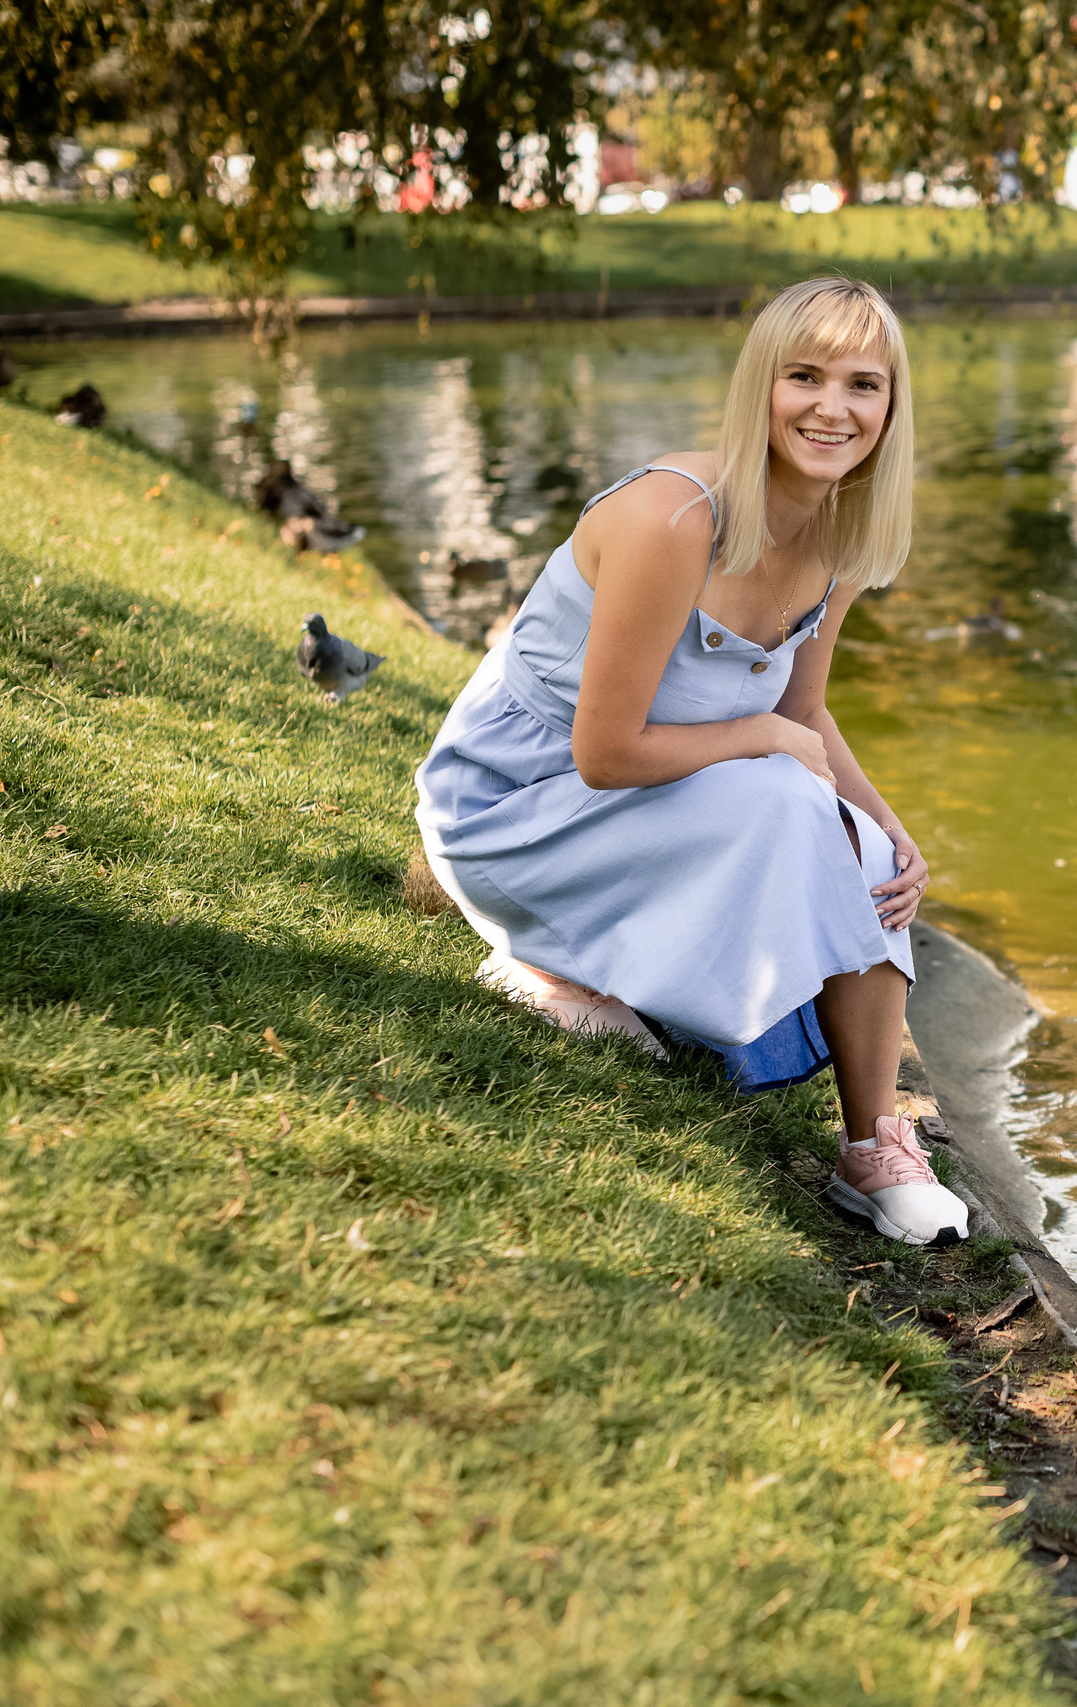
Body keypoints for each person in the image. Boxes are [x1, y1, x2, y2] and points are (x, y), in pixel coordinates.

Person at [414, 277, 968, 1246]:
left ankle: (873, 1143)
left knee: (863, 857)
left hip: (647, 800)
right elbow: (606, 750)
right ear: (761, 385)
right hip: (516, 809)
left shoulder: (837, 543)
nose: (831, 407)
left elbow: (803, 712)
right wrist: (767, 743)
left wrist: (889, 829)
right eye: (804, 376)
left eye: (862, 385)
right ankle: (546, 959)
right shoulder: (676, 518)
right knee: (784, 798)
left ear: (891, 407)